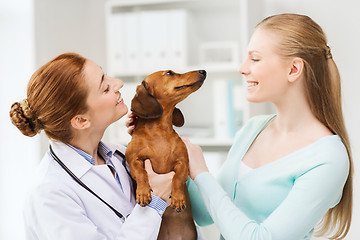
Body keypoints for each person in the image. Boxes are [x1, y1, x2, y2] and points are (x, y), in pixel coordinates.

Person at [180, 14, 353, 240]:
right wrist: (169, 146)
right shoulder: (253, 130)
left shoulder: (328, 158)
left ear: (293, 70)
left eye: (255, 59)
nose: (242, 68)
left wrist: (202, 173)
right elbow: (204, 214)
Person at [10, 52, 175, 240]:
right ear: (81, 120)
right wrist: (155, 203)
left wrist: (150, 140)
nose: (118, 83)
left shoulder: (120, 155)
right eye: (105, 88)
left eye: (106, 75)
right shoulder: (49, 193)